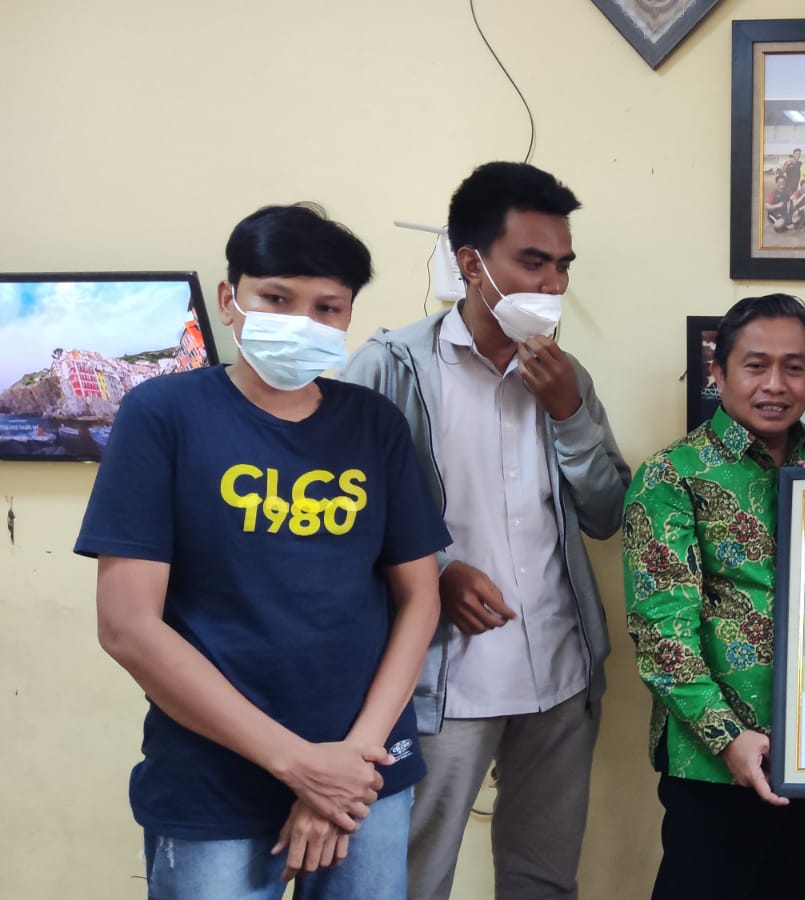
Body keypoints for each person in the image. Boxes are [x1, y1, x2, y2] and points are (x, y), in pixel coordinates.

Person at [80, 204, 450, 898]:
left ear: (348, 315)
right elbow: (127, 626)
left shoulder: (373, 424)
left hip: (365, 772)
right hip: (215, 778)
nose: (302, 321)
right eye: (277, 299)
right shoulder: (163, 415)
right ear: (230, 299)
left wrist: (348, 762)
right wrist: (298, 765)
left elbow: (420, 599)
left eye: (327, 307)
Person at [343, 161, 630, 900]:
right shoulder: (391, 368)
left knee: (543, 881)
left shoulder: (566, 377)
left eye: (563, 265)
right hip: (441, 684)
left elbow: (608, 515)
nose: (553, 285)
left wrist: (569, 413)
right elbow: (337, 527)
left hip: (561, 677)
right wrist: (434, 574)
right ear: (472, 264)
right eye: (532, 262)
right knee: (412, 879)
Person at [624, 294, 805, 900]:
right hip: (713, 762)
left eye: (794, 367)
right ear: (718, 373)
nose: (775, 384)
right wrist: (729, 738)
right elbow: (661, 636)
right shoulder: (672, 475)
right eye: (755, 365)